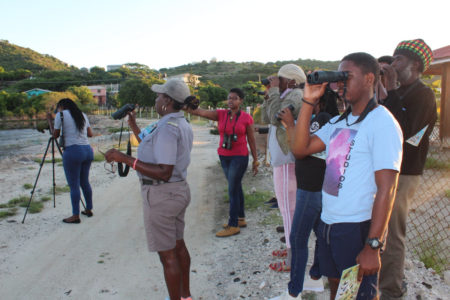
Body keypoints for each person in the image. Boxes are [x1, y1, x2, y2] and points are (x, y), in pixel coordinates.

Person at [291, 52, 403, 300]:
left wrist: (373, 245)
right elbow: (300, 149)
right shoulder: (339, 122)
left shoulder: (381, 122)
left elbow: (388, 189)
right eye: (339, 78)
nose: (341, 84)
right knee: (338, 289)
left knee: (359, 294)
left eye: (347, 77)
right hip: (329, 224)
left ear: (369, 78)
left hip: (357, 227)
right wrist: (308, 102)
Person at [104, 79, 194, 300]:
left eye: (159, 96)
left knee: (168, 255)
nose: (156, 99)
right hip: (176, 191)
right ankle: (185, 295)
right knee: (178, 245)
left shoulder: (167, 128)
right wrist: (133, 124)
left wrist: (124, 158)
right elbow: (147, 142)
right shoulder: (176, 122)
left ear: (168, 101)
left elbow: (164, 170)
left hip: (162, 194)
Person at [379, 39, 437, 300]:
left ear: (415, 65)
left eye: (398, 60)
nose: (392, 65)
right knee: (378, 227)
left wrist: (390, 90)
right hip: (388, 169)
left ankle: (391, 289)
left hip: (405, 172)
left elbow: (406, 135)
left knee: (392, 232)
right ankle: (379, 278)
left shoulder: (422, 94)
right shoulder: (399, 92)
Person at [273, 87, 339, 299]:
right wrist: (290, 125)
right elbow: (298, 147)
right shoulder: (328, 118)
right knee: (320, 234)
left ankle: (293, 293)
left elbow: (299, 150)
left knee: (298, 237)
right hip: (316, 186)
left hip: (311, 188)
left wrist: (292, 124)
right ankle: (315, 278)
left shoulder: (322, 117)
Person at [186, 88, 259, 237]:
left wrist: (256, 160)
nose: (231, 100)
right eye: (229, 98)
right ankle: (240, 218)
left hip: (239, 156)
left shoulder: (246, 118)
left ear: (241, 101)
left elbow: (251, 139)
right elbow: (199, 112)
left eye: (235, 98)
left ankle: (233, 225)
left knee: (232, 189)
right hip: (224, 156)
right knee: (236, 186)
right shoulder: (220, 114)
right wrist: (189, 105)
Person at [262, 64, 305, 272]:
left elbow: (275, 117)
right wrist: (269, 94)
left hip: (289, 161)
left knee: (289, 210)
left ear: (292, 81)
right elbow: (264, 116)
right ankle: (291, 250)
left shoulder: (296, 95)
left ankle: (293, 258)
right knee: (285, 209)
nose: (275, 81)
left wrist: (274, 93)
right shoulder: (285, 94)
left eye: (280, 78)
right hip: (282, 160)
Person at [53, 98, 94, 224]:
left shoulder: (60, 115)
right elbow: (90, 134)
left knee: (74, 185)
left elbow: (54, 135)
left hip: (73, 151)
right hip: (87, 150)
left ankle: (75, 215)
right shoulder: (82, 115)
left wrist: (50, 120)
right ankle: (88, 209)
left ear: (61, 106)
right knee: (84, 182)